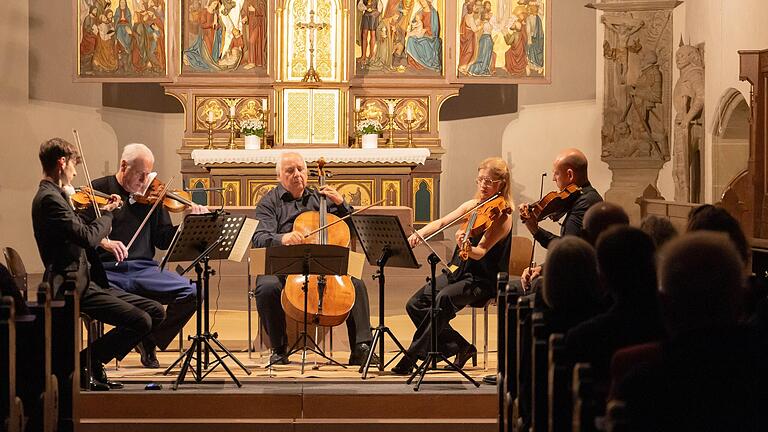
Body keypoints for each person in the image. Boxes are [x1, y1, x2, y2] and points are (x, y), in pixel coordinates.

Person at [31, 138, 164, 390]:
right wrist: (108, 214)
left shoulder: (58, 196)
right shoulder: (49, 199)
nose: (75, 172)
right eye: (73, 165)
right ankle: (87, 362)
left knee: (156, 311)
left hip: (88, 280)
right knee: (141, 321)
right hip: (72, 284)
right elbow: (87, 236)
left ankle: (88, 362)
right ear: (62, 163)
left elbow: (80, 231)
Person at [251, 152, 377, 366]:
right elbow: (259, 238)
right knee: (266, 287)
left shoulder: (321, 199)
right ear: (279, 175)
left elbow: (357, 230)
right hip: (285, 266)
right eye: (290, 171)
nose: (297, 174)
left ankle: (360, 348)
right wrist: (283, 238)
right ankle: (279, 349)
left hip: (324, 264)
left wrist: (342, 203)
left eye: (300, 169)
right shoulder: (269, 202)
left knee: (356, 284)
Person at [89, 143, 207, 368]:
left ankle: (148, 339)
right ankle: (125, 340)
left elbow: (162, 239)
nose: (145, 181)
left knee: (194, 291)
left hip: (144, 270)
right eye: (140, 175)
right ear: (124, 166)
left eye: (148, 175)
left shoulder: (153, 196)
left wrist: (187, 223)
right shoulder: (98, 190)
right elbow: (84, 234)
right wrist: (103, 242)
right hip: (107, 271)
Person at [392, 157, 513, 375]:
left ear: (501, 184)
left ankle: (412, 355)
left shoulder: (502, 216)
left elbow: (481, 252)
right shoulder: (474, 206)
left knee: (443, 298)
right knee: (415, 303)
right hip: (458, 272)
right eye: (481, 180)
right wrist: (417, 235)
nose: (483, 185)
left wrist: (464, 246)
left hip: (481, 279)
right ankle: (459, 346)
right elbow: (441, 223)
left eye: (489, 181)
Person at [517, 148, 603, 290]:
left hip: (577, 285)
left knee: (510, 291)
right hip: (575, 277)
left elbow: (566, 251)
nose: (553, 178)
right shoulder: (586, 198)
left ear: (569, 174)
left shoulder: (584, 204)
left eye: (556, 173)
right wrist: (541, 268)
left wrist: (536, 231)